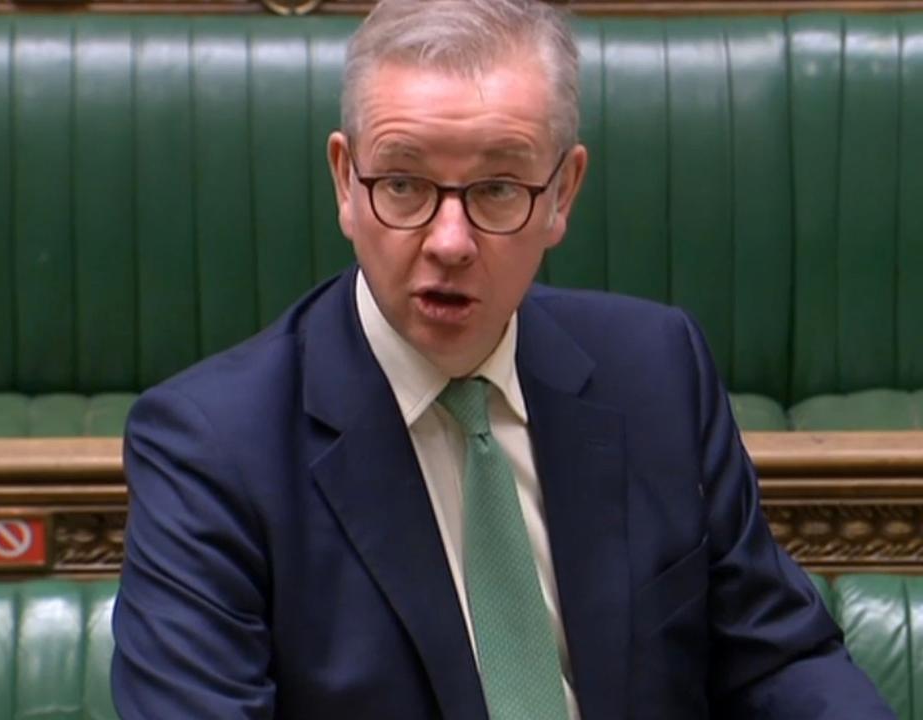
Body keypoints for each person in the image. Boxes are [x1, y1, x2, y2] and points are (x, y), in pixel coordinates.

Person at [110, 0, 895, 718]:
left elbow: (778, 660)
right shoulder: (210, 450)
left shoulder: (657, 370)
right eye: (405, 184)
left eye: (497, 190)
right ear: (345, 181)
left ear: (563, 194)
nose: (448, 243)